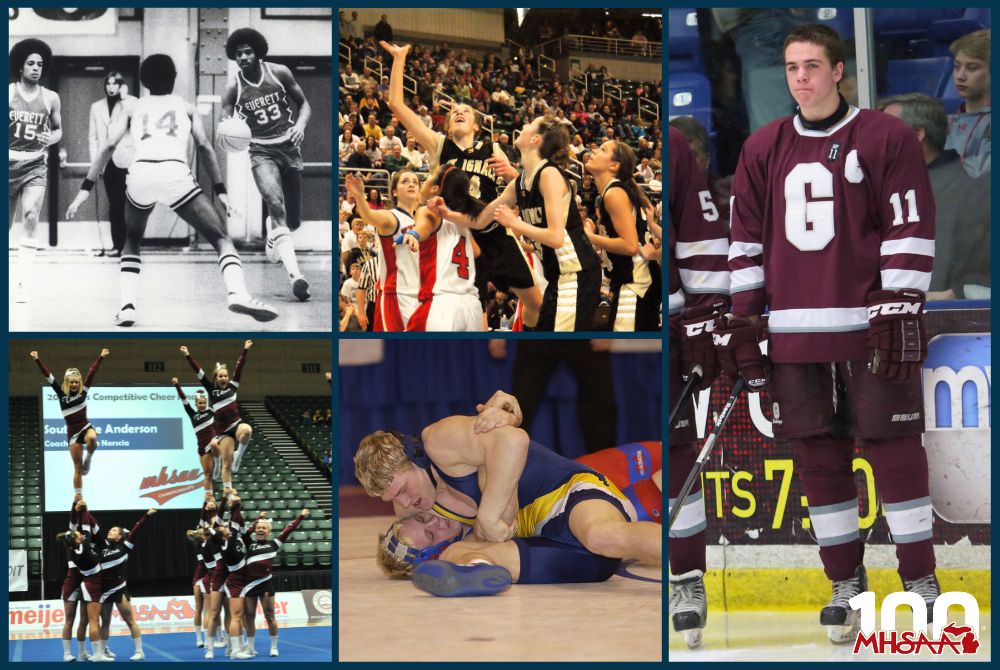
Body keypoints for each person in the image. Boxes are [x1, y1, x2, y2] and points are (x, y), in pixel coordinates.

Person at [722, 24, 937, 645]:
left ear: (839, 70)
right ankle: (845, 583)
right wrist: (745, 320)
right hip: (793, 334)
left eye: (813, 66)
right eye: (791, 67)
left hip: (869, 330)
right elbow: (744, 242)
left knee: (894, 450)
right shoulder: (762, 147)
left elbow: (910, 222)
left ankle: (918, 580)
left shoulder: (885, 136)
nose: (801, 78)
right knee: (818, 456)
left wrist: (899, 302)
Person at [354, 394, 660, 594]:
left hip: (570, 495)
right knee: (452, 554)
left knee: (600, 536)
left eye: (404, 490)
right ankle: (476, 571)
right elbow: (413, 548)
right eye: (394, 499)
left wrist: (487, 513)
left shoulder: (439, 441)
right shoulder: (407, 508)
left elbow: (513, 441)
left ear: (416, 457)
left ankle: (691, 557)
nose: (405, 503)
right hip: (561, 550)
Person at [65, 54, 277, 327]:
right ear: (174, 78)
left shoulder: (132, 108)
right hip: (175, 174)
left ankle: (127, 307)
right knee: (221, 236)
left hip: (140, 174)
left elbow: (107, 146)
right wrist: (220, 190)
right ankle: (238, 293)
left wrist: (85, 187)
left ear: (142, 81)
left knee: (132, 238)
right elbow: (204, 147)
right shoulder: (187, 108)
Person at [381, 41, 543, 329]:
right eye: (455, 110)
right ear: (447, 123)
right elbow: (396, 105)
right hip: (459, 236)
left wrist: (510, 172)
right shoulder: (439, 146)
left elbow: (522, 187)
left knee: (536, 304)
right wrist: (398, 60)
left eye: (466, 111)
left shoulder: (493, 148)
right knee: (473, 309)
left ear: (477, 125)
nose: (458, 112)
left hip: (495, 234)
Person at [666, 126, 731, 649]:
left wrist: (707, 322)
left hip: (661, 325)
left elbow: (703, 244)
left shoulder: (674, 150)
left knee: (678, 454)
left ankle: (687, 580)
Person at [448, 116, 601, 331]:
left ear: (535, 139)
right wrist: (446, 213)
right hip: (558, 276)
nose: (523, 126)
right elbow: (481, 219)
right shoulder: (519, 183)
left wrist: (515, 224)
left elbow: (556, 237)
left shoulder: (549, 175)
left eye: (529, 125)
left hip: (577, 272)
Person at [223, 28, 312, 301]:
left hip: (289, 146)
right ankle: (296, 277)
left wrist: (300, 125)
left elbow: (305, 104)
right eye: (239, 54)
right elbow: (225, 121)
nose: (244, 57)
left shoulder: (280, 72)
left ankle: (274, 234)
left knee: (292, 222)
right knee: (275, 202)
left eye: (248, 51)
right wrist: (226, 130)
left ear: (258, 52)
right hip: (261, 151)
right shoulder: (233, 88)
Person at [881, 93, 991, 300]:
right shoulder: (888, 185)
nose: (877, 140)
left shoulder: (962, 193)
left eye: (886, 131)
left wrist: (946, 295)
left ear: (917, 135)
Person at [584, 139, 660, 331]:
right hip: (632, 281)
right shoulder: (615, 192)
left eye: (602, 149)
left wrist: (587, 236)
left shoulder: (614, 193)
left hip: (636, 283)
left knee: (628, 353)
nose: (593, 150)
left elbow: (630, 246)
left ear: (614, 165)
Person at [9, 38, 62, 304]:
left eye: (40, 64)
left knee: (30, 217)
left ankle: (22, 283)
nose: (35, 68)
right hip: (7, 163)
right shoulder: (7, 93)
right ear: (20, 66)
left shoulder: (51, 97)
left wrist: (51, 139)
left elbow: (58, 129)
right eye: (30, 63)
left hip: (34, 165)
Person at [345, 170, 422, 331]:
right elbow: (369, 216)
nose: (411, 184)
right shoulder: (391, 217)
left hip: (420, 294)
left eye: (415, 182)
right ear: (394, 191)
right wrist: (360, 197)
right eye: (405, 181)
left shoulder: (421, 223)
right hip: (397, 296)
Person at [30, 349, 109, 497]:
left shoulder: (83, 391)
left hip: (85, 426)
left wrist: (101, 357)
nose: (74, 384)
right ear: (67, 382)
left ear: (79, 383)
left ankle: (89, 458)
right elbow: (48, 376)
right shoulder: (61, 394)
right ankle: (78, 495)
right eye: (71, 382)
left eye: (76, 382)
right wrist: (37, 359)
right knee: (78, 469)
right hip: (72, 433)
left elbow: (92, 372)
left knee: (93, 439)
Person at [180, 341, 255, 487]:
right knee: (226, 464)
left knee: (247, 430)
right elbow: (199, 373)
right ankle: (227, 487)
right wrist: (187, 355)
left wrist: (245, 349)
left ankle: (238, 455)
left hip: (236, 424)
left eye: (225, 376)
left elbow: (239, 369)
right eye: (220, 376)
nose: (223, 379)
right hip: (224, 432)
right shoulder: (211, 391)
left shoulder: (233, 387)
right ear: (216, 378)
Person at [242, 508, 310, 657]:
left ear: (269, 531)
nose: (260, 530)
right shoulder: (249, 543)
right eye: (258, 528)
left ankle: (273, 646)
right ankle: (250, 647)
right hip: (250, 586)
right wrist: (257, 519)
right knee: (249, 616)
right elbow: (244, 531)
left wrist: (301, 516)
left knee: (269, 616)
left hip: (266, 584)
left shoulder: (275, 543)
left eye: (263, 528)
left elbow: (288, 529)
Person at [98, 508, 156, 661]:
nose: (110, 531)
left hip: (119, 588)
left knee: (130, 620)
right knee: (104, 623)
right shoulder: (102, 549)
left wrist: (147, 516)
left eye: (114, 530)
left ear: (120, 536)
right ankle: (102, 651)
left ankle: (139, 651)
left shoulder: (125, 546)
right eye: (109, 530)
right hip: (104, 590)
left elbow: (136, 531)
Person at [88, 71, 135, 257]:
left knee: (128, 206)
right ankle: (117, 246)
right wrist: (96, 164)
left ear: (121, 86)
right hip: (107, 162)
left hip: (127, 161)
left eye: (115, 83)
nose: (111, 87)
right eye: (108, 83)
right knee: (114, 206)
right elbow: (92, 137)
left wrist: (124, 98)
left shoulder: (130, 103)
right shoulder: (96, 107)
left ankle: (129, 246)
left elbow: (136, 121)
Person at [945, 28, 990, 178]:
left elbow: (982, 175)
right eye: (957, 66)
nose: (960, 76)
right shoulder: (942, 121)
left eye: (972, 68)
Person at [60, 499, 99, 661]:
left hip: (85, 584)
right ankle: (67, 653)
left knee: (84, 620)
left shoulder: (82, 542)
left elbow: (82, 524)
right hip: (71, 584)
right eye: (78, 533)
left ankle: (82, 652)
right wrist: (76, 505)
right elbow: (72, 521)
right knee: (69, 619)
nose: (81, 534)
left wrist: (79, 507)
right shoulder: (72, 545)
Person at [173, 378, 221, 494]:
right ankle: (209, 497)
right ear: (196, 404)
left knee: (214, 443)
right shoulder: (193, 415)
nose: (202, 405)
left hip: (213, 440)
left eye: (204, 403)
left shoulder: (211, 412)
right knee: (207, 474)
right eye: (200, 403)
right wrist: (177, 385)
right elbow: (184, 400)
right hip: (202, 446)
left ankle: (219, 462)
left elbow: (213, 395)